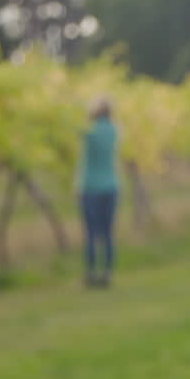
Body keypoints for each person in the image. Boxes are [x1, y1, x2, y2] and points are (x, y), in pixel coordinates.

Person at [79, 96, 119, 288]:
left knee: (91, 234)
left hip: (90, 187)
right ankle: (108, 272)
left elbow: (77, 127)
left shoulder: (89, 131)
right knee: (108, 232)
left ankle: (91, 272)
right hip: (111, 186)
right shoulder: (114, 130)